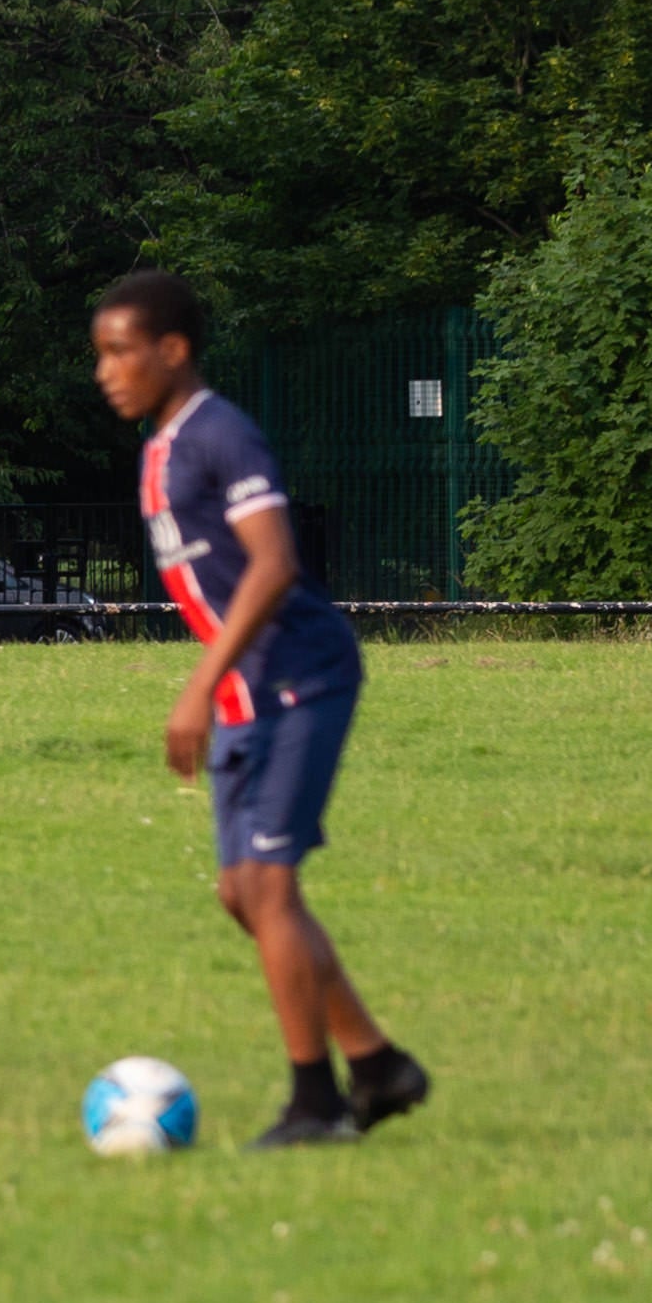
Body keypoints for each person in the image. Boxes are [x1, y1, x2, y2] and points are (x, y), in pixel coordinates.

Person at [92, 270, 424, 1147]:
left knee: (270, 886)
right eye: (101, 354)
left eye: (122, 351)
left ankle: (315, 1103)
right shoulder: (160, 448)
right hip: (248, 691)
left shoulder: (220, 435)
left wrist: (200, 682)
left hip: (299, 677)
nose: (106, 370)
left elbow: (274, 565)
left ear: (174, 351)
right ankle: (379, 1064)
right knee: (243, 895)